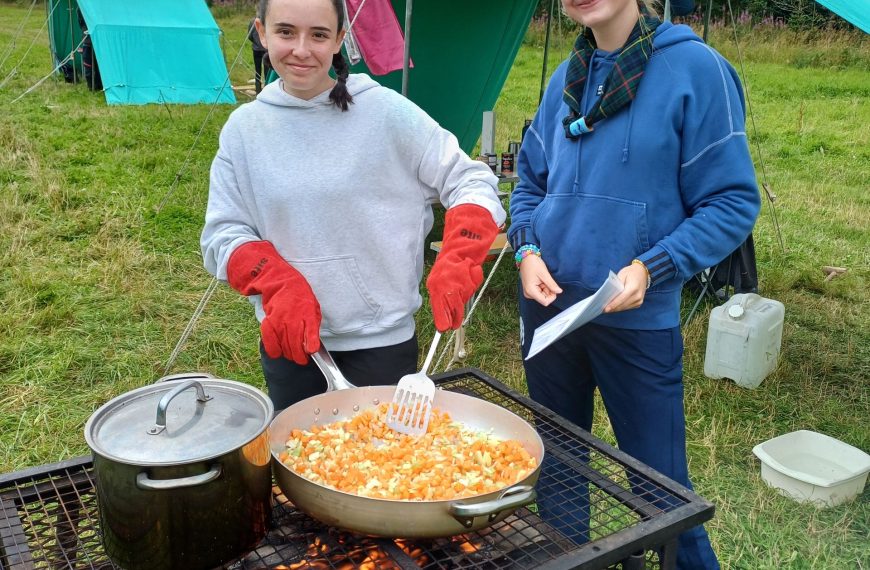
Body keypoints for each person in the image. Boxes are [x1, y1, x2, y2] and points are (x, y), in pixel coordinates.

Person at [508, 0, 760, 568]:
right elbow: (527, 185)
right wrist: (524, 249)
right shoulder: (565, 77)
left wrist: (655, 265)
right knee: (560, 471)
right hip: (550, 315)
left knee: (662, 494)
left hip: (636, 318)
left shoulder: (695, 70)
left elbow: (732, 201)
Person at [201, 0, 505, 412]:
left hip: (381, 341)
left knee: (378, 468)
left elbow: (469, 177)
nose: (302, 49)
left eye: (319, 35)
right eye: (286, 32)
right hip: (290, 340)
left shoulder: (386, 113)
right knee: (301, 464)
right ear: (261, 31)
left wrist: (461, 250)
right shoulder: (243, 130)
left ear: (341, 39)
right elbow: (223, 232)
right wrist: (274, 282)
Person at [247, 17, 269, 92]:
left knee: (257, 72)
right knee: (267, 72)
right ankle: (267, 91)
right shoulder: (266, 20)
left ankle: (258, 91)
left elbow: (249, 36)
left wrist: (255, 42)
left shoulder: (252, 22)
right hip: (266, 49)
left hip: (256, 49)